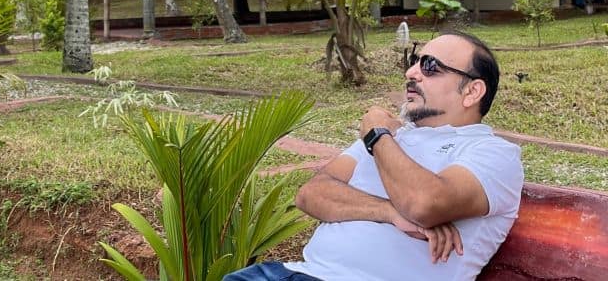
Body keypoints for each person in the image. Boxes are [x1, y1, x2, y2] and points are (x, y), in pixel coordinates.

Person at [224, 31, 523, 281]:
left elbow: (424, 204)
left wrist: (377, 134)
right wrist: (389, 212)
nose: (411, 73)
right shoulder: (394, 136)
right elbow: (311, 194)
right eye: (414, 61)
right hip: (289, 273)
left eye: (429, 66)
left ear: (472, 91)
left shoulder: (493, 154)